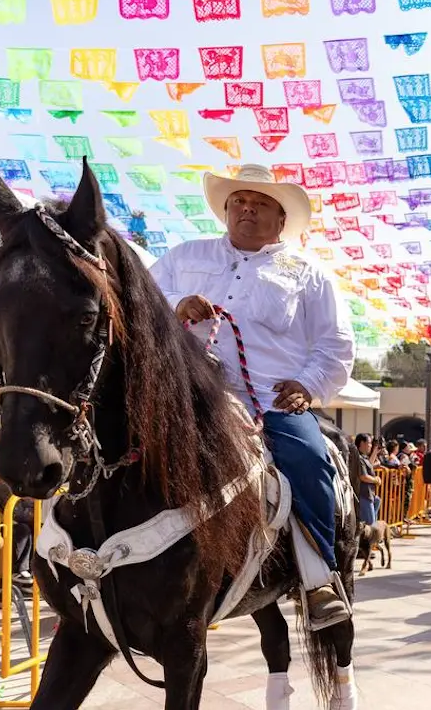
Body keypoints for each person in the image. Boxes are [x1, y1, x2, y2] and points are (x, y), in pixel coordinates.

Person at [149, 164, 355, 629]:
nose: (246, 209)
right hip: (184, 393)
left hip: (268, 399)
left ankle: (319, 577)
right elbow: (137, 303)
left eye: (260, 203)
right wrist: (174, 307)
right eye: (239, 201)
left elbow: (335, 346)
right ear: (226, 210)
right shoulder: (182, 257)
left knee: (308, 457)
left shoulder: (309, 274)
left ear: (281, 219)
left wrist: (307, 385)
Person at [354, 434, 382, 525]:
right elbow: (363, 477)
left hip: (369, 494)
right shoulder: (359, 458)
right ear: (362, 443)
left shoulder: (364, 457)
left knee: (377, 501)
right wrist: (376, 480)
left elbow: (369, 464)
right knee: (370, 524)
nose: (371, 445)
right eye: (369, 443)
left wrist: (375, 451)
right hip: (363, 495)